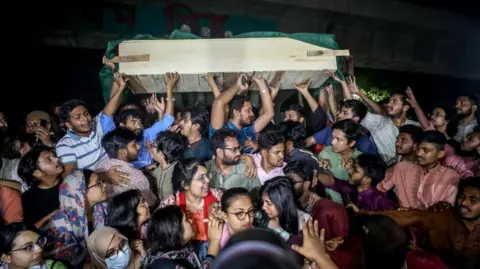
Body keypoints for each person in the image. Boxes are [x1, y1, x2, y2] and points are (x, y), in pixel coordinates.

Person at [362, 176, 480, 269]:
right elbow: (405, 216)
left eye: (473, 200)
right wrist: (364, 213)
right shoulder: (443, 216)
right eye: (461, 197)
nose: (464, 203)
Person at [42, 170, 108, 266]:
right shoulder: (58, 228)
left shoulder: (101, 208)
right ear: (80, 192)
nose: (104, 185)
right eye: (98, 183)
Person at [159, 159, 223, 242]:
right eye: (201, 178)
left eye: (207, 175)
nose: (208, 180)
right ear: (185, 185)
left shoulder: (218, 196)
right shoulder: (170, 204)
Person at [141, 205, 221, 269]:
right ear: (174, 230)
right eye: (186, 220)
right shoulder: (163, 265)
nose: (191, 221)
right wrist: (214, 243)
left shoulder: (186, 250)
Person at [96, 127, 157, 207]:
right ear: (122, 152)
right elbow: (151, 204)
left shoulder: (100, 166)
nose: (138, 147)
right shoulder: (138, 177)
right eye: (134, 145)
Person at [260, 176, 310, 241]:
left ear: (283, 203)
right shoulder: (262, 221)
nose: (263, 207)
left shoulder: (305, 223)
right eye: (263, 202)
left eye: (269, 203)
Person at [0, 222, 68, 269]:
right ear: (6, 258)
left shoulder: (55, 267)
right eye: (28, 247)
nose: (39, 249)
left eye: (39, 242)